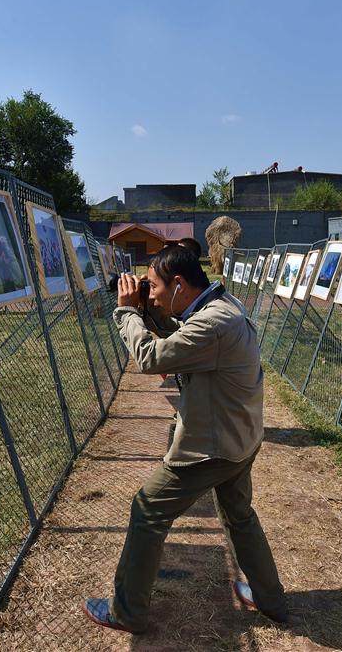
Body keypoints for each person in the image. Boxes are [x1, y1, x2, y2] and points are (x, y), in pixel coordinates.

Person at [83, 246, 290, 633]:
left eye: (156, 286)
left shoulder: (212, 325)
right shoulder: (221, 305)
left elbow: (152, 358)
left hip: (211, 447)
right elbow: (182, 340)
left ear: (179, 284)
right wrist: (149, 310)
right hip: (241, 438)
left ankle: (126, 612)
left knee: (147, 511)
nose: (154, 294)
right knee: (240, 517)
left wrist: (127, 312)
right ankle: (270, 599)